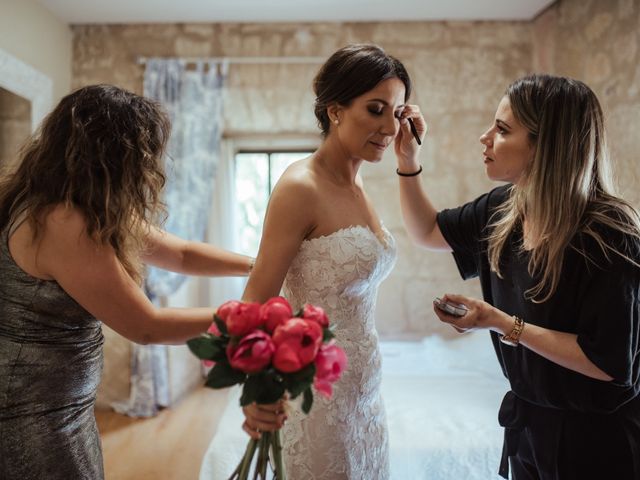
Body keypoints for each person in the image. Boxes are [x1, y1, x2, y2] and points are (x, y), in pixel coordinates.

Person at [0, 84, 284, 480]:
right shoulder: (64, 222)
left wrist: (263, 265)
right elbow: (146, 326)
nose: (151, 165)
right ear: (115, 155)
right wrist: (251, 315)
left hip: (58, 403)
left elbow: (181, 253)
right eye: (146, 153)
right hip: (31, 412)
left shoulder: (71, 204)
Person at [396, 74, 640, 479]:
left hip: (597, 442)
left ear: (547, 146)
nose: (484, 137)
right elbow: (426, 231)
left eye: (503, 129)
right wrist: (407, 161)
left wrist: (499, 322)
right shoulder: (504, 209)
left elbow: (609, 364)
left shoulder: (609, 234)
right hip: (529, 430)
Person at [200, 44, 417, 480]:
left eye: (397, 113)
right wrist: (256, 394)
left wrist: (410, 162)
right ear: (335, 110)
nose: (389, 127)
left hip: (365, 388)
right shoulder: (300, 187)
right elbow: (256, 301)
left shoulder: (360, 190)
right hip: (316, 391)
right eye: (375, 110)